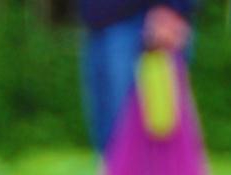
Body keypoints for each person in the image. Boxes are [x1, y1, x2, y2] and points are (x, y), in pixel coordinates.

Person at [80, 1, 194, 154]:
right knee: (109, 130)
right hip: (99, 20)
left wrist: (171, 8)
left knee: (145, 122)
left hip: (142, 20)